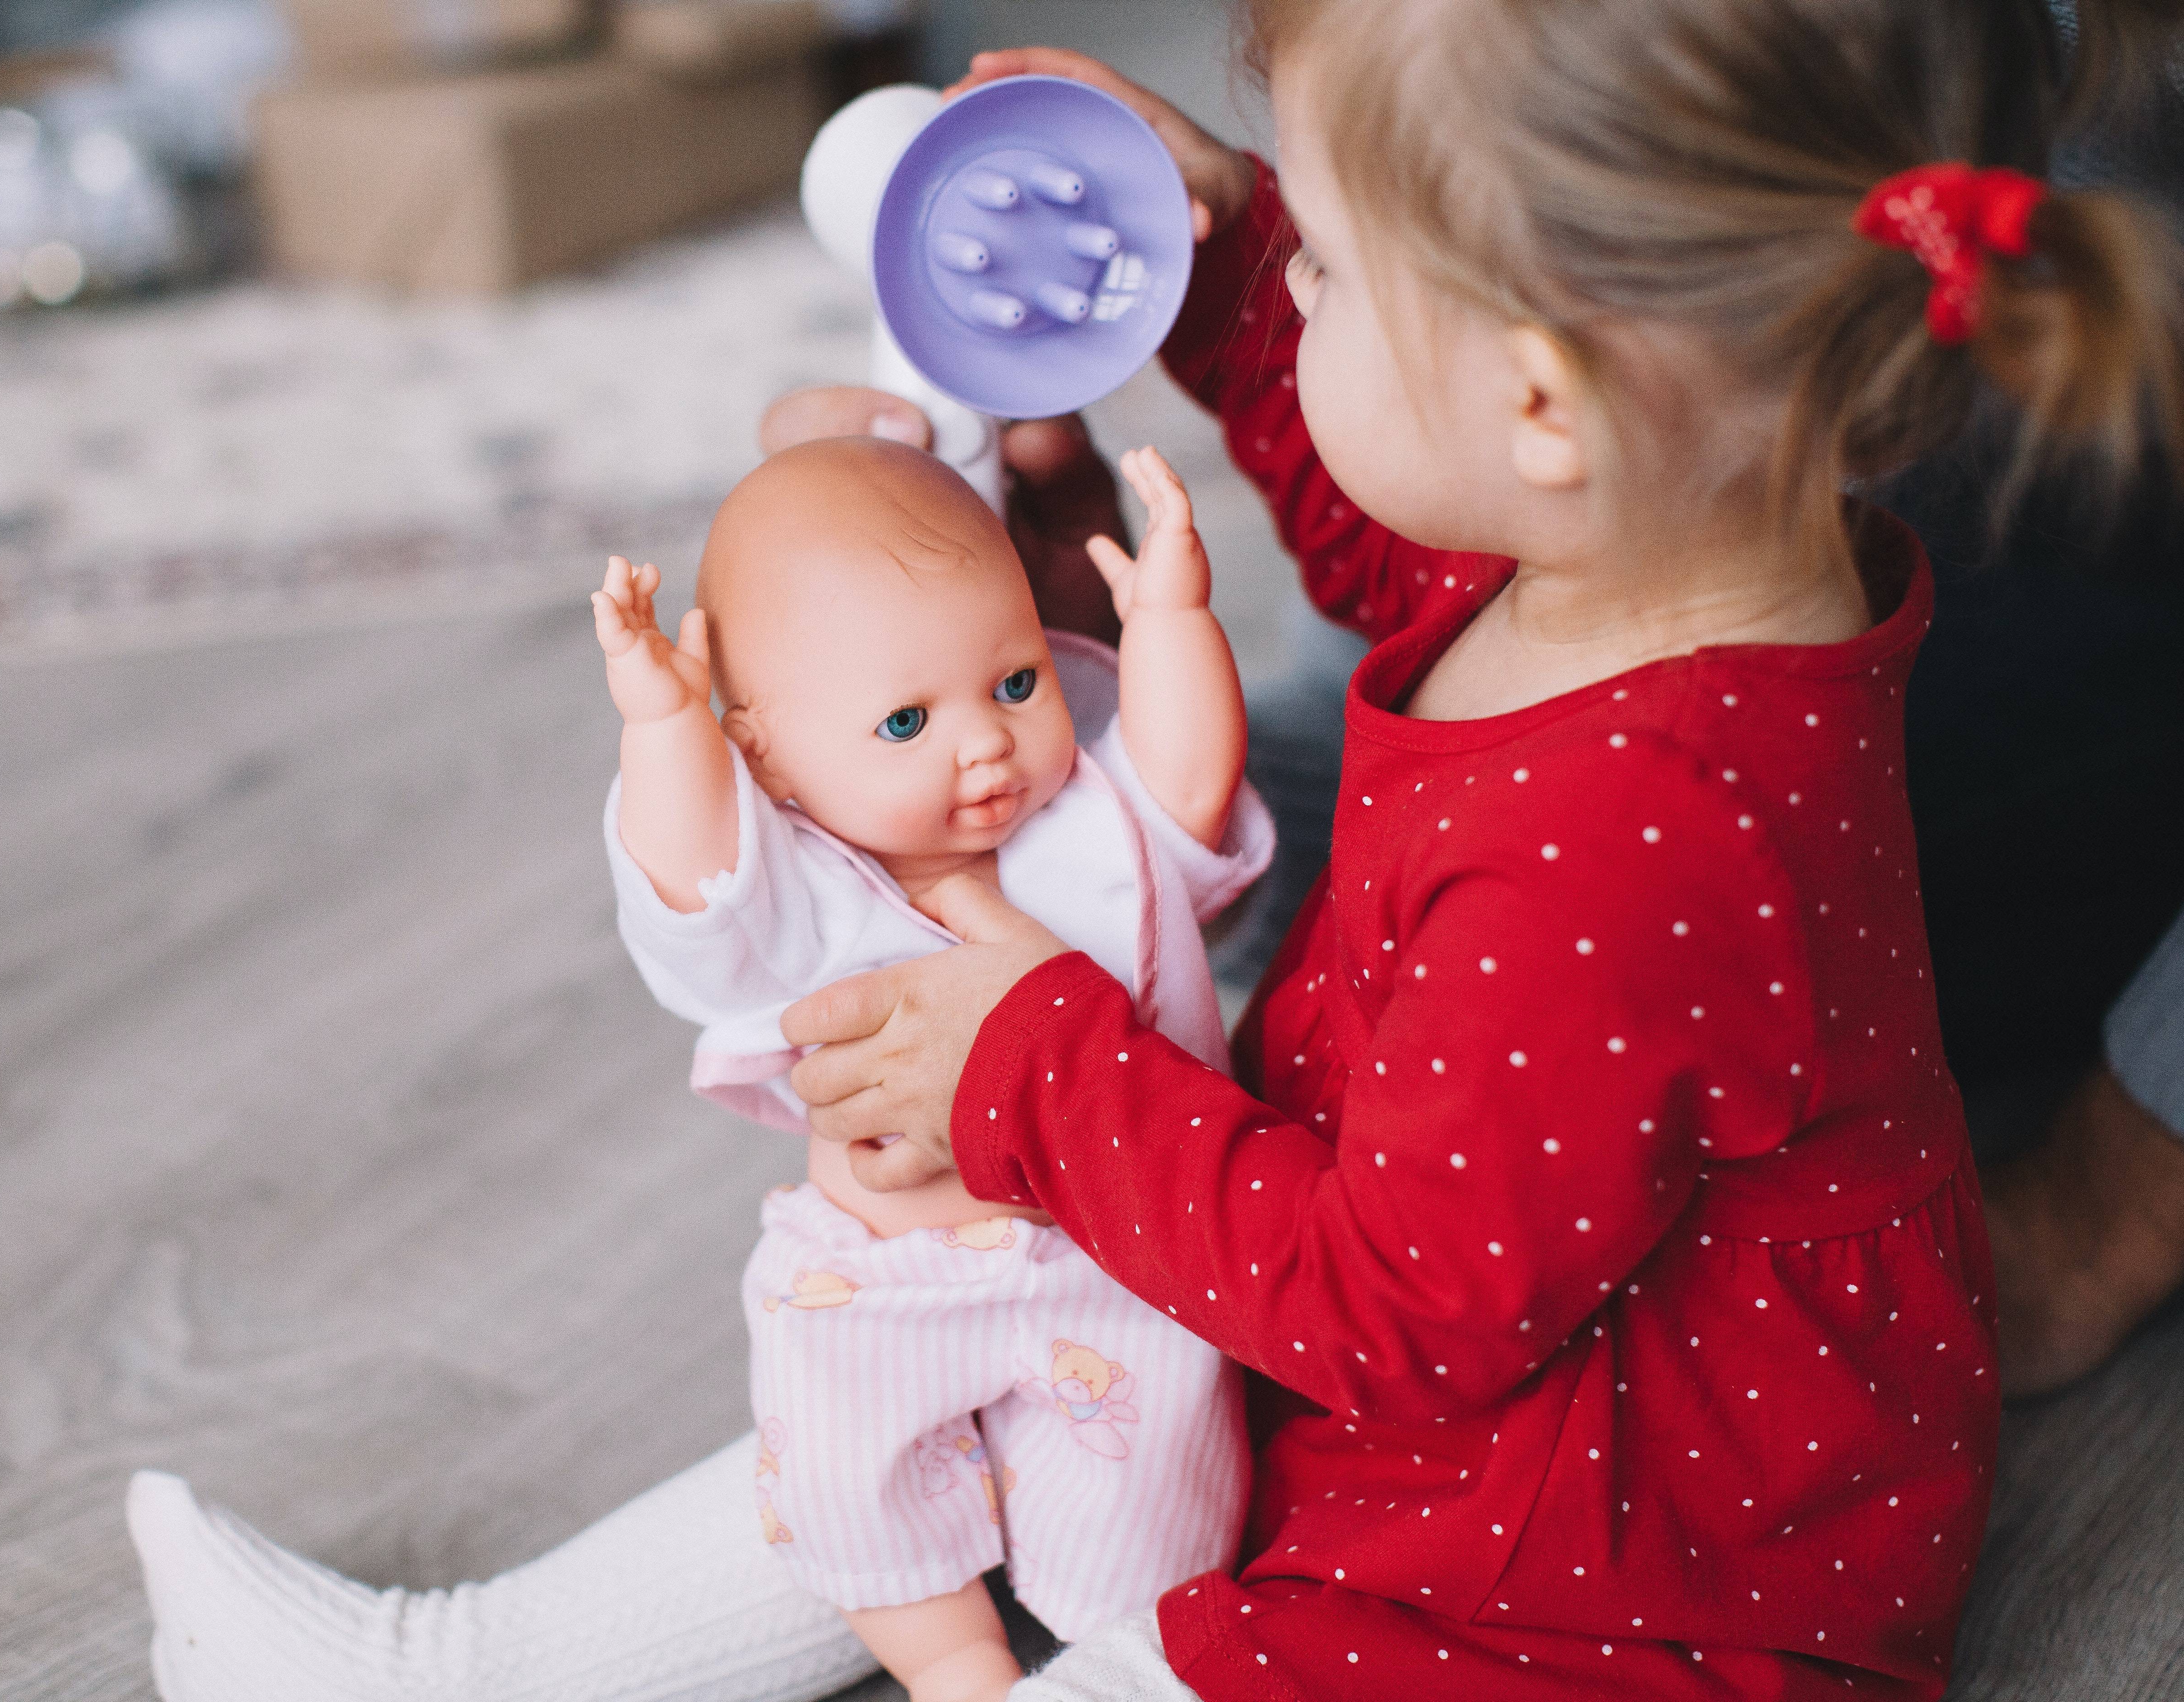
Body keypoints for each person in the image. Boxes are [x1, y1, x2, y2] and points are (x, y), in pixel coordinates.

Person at [125, 5, 2184, 1697]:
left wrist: (1025, 1056)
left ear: (1544, 398)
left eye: (1329, 269)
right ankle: (446, 1668)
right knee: (902, 1399)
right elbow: (1406, 545)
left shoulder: (1629, 844)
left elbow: (1397, 1312)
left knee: (1061, 1502)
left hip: (1585, 1595)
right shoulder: (1667, 564)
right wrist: (1204, 266)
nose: (1287, 275)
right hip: (1495, 1402)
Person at [589, 437, 1267, 1702]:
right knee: (851, 1481)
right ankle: (955, 1665)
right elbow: (690, 880)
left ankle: (1112, 1660)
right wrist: (667, 726)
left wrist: (1172, 621)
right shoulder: (791, 893)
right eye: (906, 721)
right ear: (771, 761)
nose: (986, 748)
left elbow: (1187, 777)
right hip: (879, 1283)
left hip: (1119, 1266)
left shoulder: (1090, 828)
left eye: (1015, 682)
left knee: (1158, 1520)